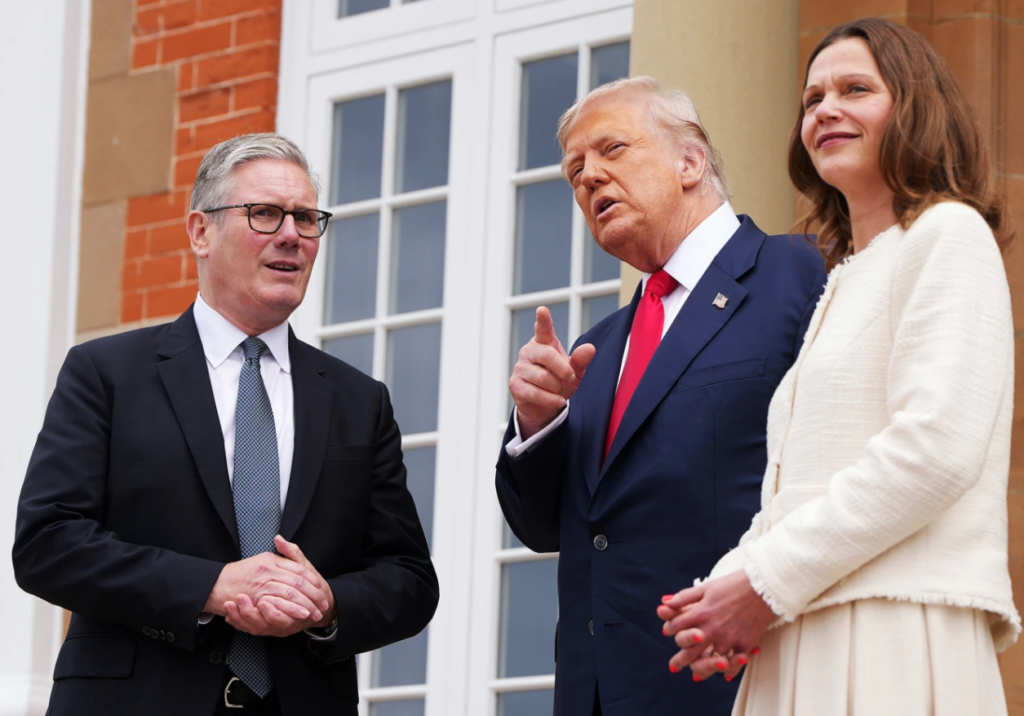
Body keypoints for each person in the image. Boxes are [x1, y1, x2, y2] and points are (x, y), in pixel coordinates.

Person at [659, 17, 1020, 715]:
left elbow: (936, 450)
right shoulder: (844, 280)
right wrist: (724, 591)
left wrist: (762, 583)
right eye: (812, 98)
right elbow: (796, 490)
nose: (825, 109)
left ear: (916, 108)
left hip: (893, 630)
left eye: (855, 89)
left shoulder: (948, 234)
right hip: (805, 624)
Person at [13, 133, 438, 716]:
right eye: (264, 213)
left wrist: (327, 603)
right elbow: (48, 543)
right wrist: (212, 587)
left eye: (306, 218)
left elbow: (409, 579)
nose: (291, 234)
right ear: (200, 232)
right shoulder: (106, 374)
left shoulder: (360, 400)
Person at [496, 76, 827, 716]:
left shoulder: (802, 274)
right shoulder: (594, 349)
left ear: (690, 162)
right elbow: (545, 529)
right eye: (575, 172)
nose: (590, 177)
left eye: (612, 149)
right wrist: (537, 423)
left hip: (741, 681)